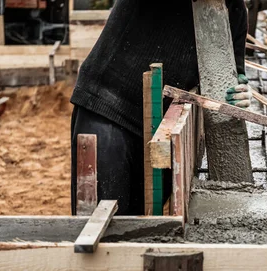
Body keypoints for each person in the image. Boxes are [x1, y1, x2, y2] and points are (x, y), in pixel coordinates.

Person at [70, 0, 252, 215]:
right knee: (103, 220)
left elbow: (232, 73)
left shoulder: (234, 11)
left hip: (162, 127)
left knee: (138, 226)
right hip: (108, 107)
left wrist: (238, 92)